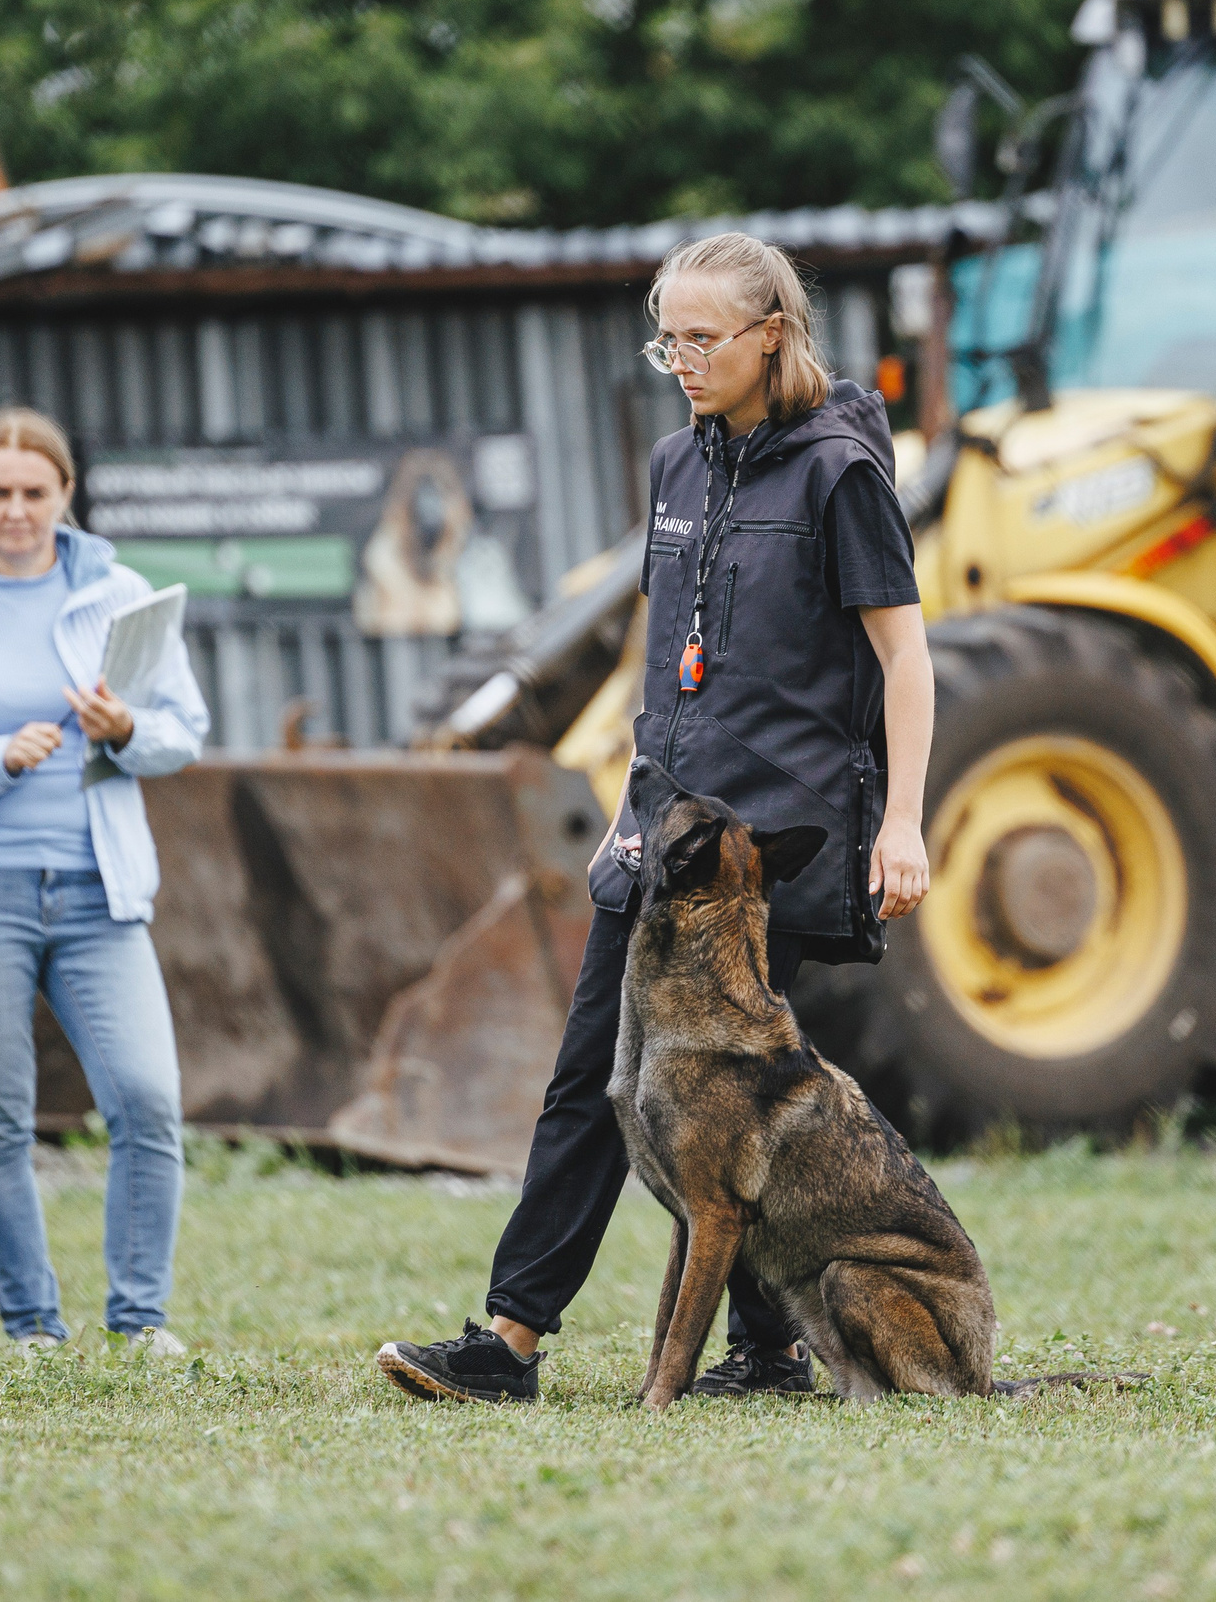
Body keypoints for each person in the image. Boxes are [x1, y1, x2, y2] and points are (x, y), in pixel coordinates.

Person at [377, 231, 935, 1404]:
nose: (678, 359)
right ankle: (550, 1342)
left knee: (723, 1092)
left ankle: (696, 1348)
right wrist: (634, 785)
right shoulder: (676, 464)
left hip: (765, 846)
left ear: (770, 334)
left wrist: (906, 823)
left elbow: (904, 656)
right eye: (665, 337)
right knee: (601, 1072)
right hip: (662, 823)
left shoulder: (840, 473)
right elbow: (668, 645)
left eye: (701, 337)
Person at [0, 406, 210, 1352]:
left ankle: (140, 1320)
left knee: (145, 1100)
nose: (16, 510)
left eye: (36, 492)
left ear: (65, 496)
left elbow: (185, 729)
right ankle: (32, 1327)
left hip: (99, 893)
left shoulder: (121, 594)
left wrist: (126, 730)